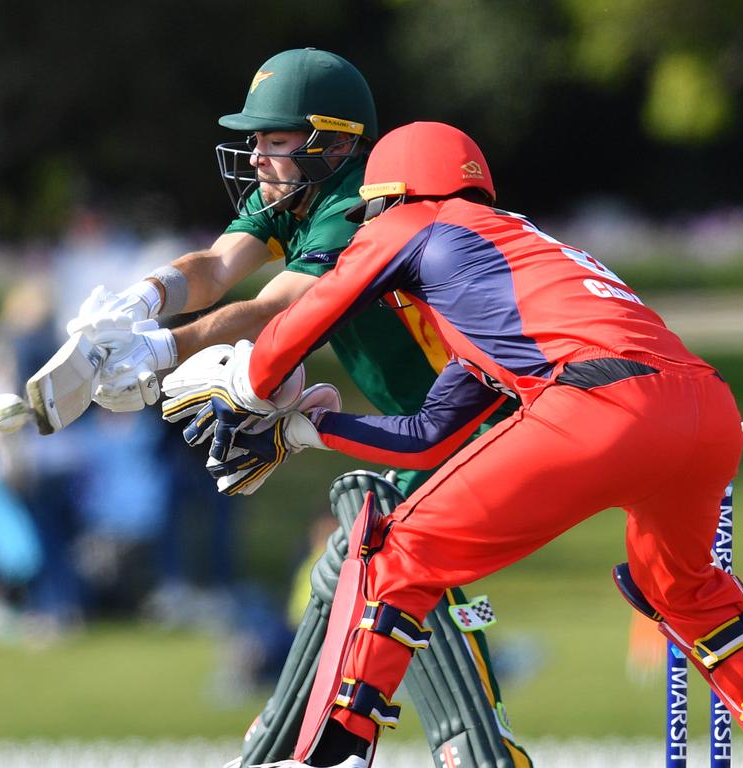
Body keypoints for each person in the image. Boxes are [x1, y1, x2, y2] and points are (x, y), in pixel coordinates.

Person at [175, 122, 743, 768]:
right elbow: (425, 439)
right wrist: (304, 429)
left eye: (368, 215)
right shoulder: (505, 272)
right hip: (704, 411)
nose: (365, 232)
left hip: (598, 403)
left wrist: (250, 382)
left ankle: (332, 752)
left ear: (395, 195)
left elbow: (313, 309)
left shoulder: (419, 219)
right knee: (684, 590)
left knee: (395, 549)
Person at [65, 49, 528, 767]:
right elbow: (218, 266)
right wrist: (144, 298)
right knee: (346, 560)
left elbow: (276, 309)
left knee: (384, 556)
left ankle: (468, 748)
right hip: (427, 425)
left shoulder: (355, 205)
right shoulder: (294, 194)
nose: (255, 156)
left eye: (272, 139)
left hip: (475, 420)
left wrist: (163, 352)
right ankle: (295, 744)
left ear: (334, 141)